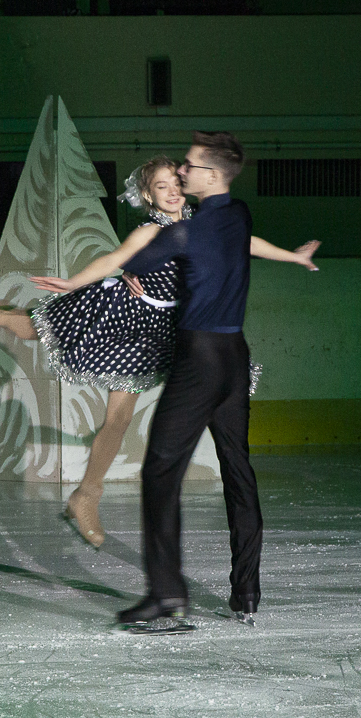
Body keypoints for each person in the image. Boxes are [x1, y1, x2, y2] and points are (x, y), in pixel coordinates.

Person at [0, 156, 317, 552]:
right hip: (123, 320)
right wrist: (72, 283)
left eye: (176, 183)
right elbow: (115, 258)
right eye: (161, 187)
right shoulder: (148, 231)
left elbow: (245, 243)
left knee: (117, 422)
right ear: (149, 196)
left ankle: (86, 495)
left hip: (168, 331)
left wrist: (293, 256)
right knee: (29, 325)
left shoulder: (204, 223)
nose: (172, 192)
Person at [113, 131, 270, 635]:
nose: (182, 172)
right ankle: (246, 591)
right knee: (238, 470)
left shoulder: (187, 233)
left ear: (211, 175)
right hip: (235, 359)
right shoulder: (238, 215)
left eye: (189, 165)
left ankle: (167, 596)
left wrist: (132, 261)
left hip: (200, 360)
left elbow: (136, 263)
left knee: (160, 469)